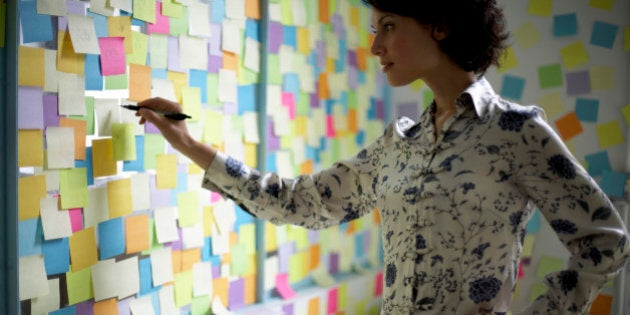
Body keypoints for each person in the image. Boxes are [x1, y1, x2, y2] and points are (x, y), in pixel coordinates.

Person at [136, 0, 630, 313]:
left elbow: (605, 242)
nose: (374, 45)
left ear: (439, 23)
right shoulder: (399, 144)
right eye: (375, 29)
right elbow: (299, 203)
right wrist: (188, 145)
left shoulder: (517, 131)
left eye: (388, 26)